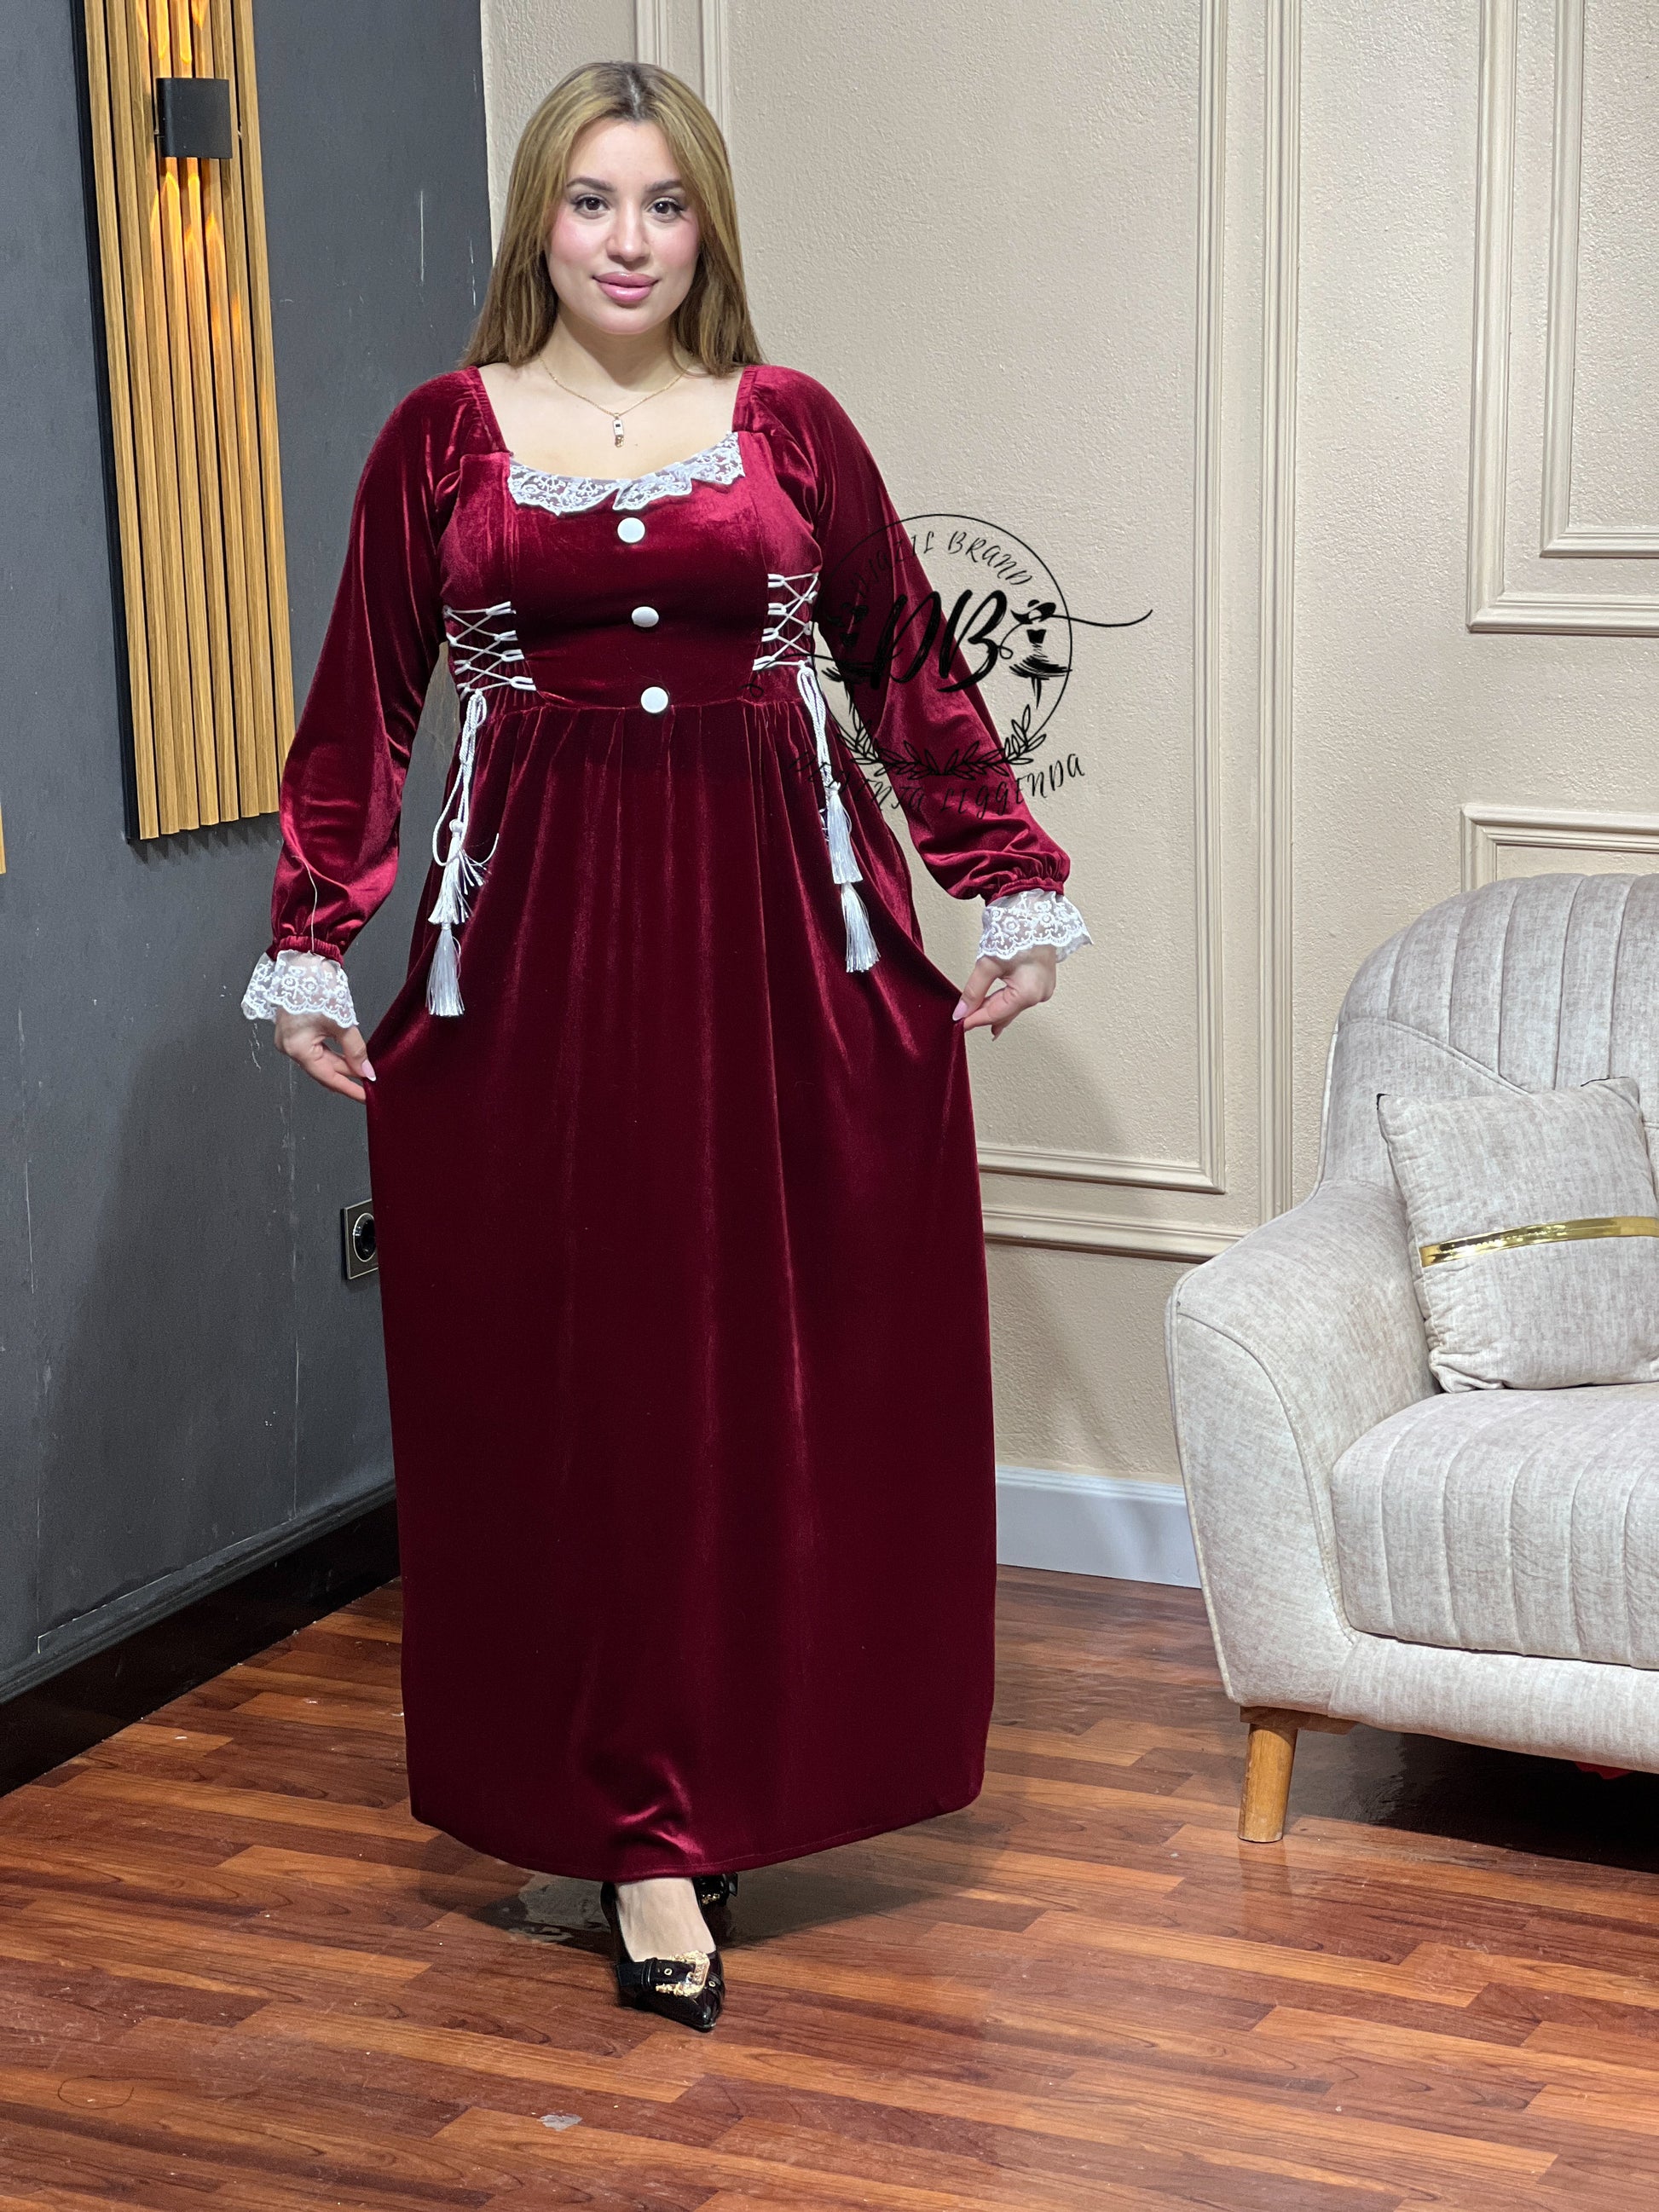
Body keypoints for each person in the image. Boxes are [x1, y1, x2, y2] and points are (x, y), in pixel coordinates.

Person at [240, 58, 1091, 2033]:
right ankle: (634, 1819)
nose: (627, 242)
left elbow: (904, 661)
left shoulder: (789, 423)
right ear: (536, 220)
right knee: (581, 1371)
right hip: (530, 953)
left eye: (664, 204)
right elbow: (363, 701)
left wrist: (1005, 882)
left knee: (773, 1363)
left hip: (784, 936)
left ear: (707, 224)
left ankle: (742, 1771)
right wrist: (312, 940)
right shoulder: (440, 438)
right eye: (590, 202)